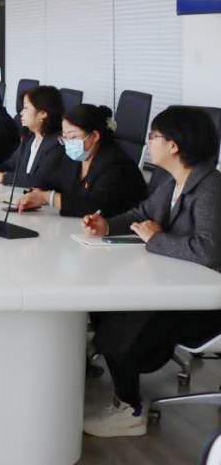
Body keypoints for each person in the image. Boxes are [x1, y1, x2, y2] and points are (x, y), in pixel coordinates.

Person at [79, 107, 221, 437]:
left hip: (205, 302)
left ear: (174, 145)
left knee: (125, 317)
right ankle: (124, 395)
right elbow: (142, 214)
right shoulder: (174, 181)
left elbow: (207, 251)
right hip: (177, 287)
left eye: (154, 136)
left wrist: (156, 239)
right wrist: (105, 225)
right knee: (107, 306)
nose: (148, 142)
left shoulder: (210, 187)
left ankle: (129, 410)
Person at [17, 104, 147, 217]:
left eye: (73, 137)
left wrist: (48, 198)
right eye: (65, 137)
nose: (68, 143)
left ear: (94, 136)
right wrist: (37, 192)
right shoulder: (76, 158)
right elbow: (55, 180)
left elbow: (97, 207)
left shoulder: (116, 164)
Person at [0, 85, 64, 189]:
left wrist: (1, 177)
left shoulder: (57, 143)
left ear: (43, 113)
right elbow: (11, 165)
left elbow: (40, 180)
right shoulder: (30, 137)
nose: (21, 113)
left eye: (26, 108)